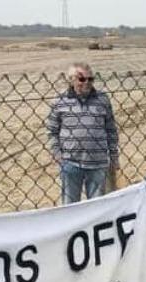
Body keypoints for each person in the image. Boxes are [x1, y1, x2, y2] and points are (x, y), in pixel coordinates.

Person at [46, 63, 120, 204]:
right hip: (70, 163)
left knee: (97, 207)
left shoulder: (103, 99)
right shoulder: (60, 101)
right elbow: (52, 130)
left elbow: (111, 129)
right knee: (70, 206)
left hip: (98, 163)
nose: (86, 83)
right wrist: (57, 154)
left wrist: (114, 157)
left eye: (90, 79)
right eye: (81, 79)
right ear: (71, 80)